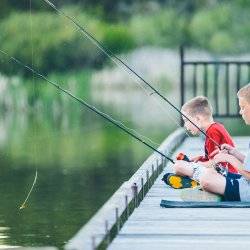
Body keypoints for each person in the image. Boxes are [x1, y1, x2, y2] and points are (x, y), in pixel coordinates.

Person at [163, 96, 237, 189]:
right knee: (181, 163)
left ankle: (196, 183)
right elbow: (214, 158)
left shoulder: (213, 131)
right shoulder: (214, 128)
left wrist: (193, 165)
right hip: (223, 173)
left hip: (226, 176)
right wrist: (201, 159)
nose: (185, 125)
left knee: (178, 167)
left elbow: (215, 163)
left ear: (198, 119)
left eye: (186, 120)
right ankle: (191, 180)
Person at [198, 83, 250, 201]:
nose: (240, 112)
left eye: (243, 107)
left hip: (246, 191)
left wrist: (229, 159)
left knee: (207, 180)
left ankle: (216, 193)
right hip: (245, 184)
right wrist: (235, 153)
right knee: (211, 173)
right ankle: (219, 189)